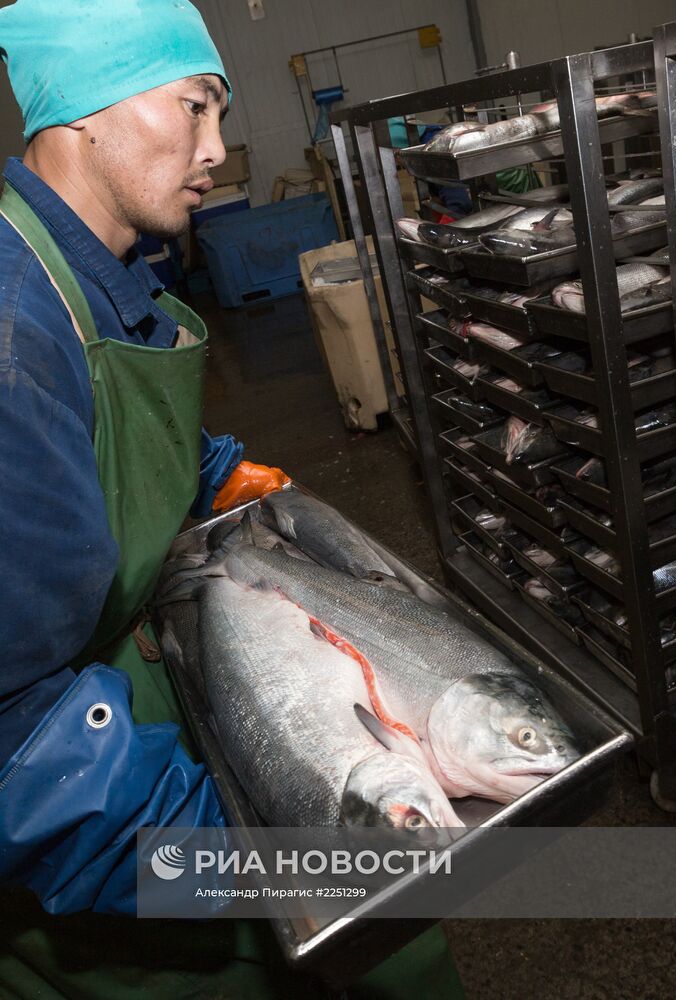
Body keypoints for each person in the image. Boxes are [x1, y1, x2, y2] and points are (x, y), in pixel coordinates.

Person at [0, 2, 465, 997]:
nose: (218, 147)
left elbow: (121, 434)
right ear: (85, 112)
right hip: (83, 791)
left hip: (127, 673)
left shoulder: (114, 274)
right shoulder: (12, 336)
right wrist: (244, 854)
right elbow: (17, 750)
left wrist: (217, 473)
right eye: (195, 108)